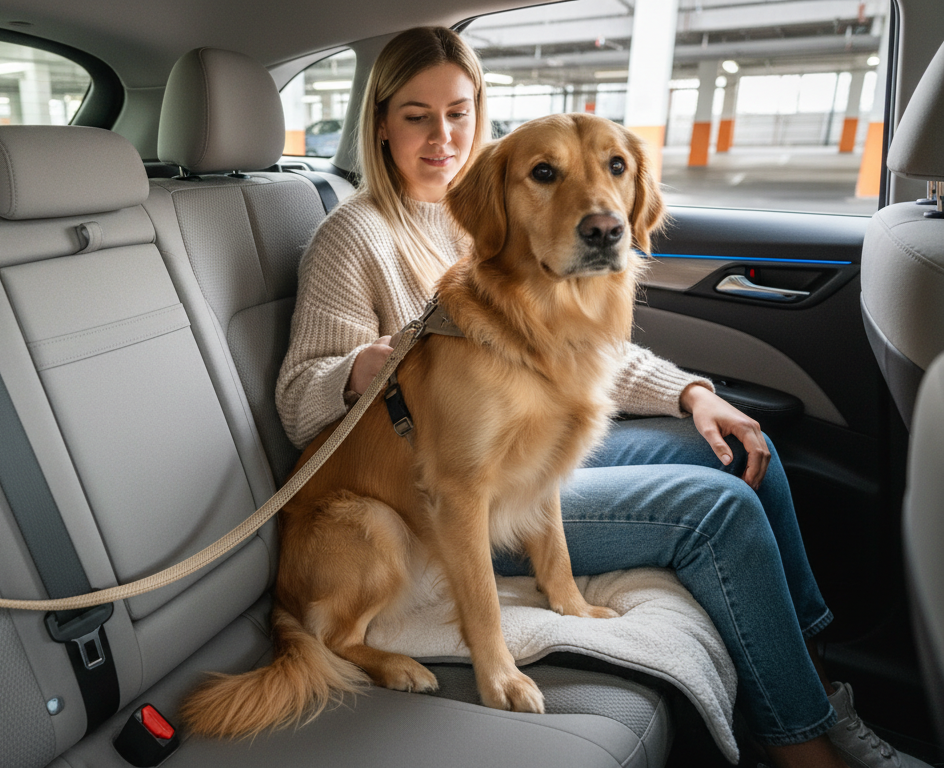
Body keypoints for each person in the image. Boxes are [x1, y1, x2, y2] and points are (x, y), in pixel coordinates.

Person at [274, 26, 923, 768]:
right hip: (437, 496)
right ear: (380, 121)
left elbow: (574, 353)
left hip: (530, 450)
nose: (441, 135)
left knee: (747, 450)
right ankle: (802, 745)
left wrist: (690, 394)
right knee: (718, 507)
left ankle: (819, 682)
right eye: (416, 115)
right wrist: (374, 363)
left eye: (458, 111)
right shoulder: (354, 236)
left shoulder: (498, 202)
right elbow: (299, 401)